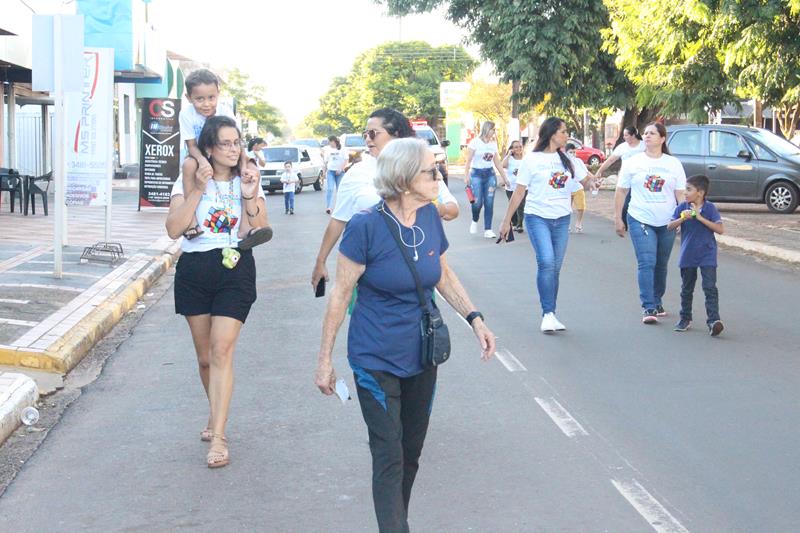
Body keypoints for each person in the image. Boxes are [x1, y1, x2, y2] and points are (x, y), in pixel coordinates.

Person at [315, 138, 496, 532]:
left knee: (410, 452)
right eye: (431, 171)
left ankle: (398, 521)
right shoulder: (365, 226)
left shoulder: (430, 217)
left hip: (422, 353)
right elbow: (341, 292)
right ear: (402, 180)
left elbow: (442, 274)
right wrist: (325, 360)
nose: (439, 176)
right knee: (388, 454)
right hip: (374, 357)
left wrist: (475, 318)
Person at [165, 116, 269, 468]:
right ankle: (215, 413)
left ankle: (220, 436)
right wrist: (197, 187)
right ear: (208, 148)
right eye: (224, 143)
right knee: (205, 358)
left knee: (222, 350)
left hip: (236, 268)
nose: (232, 149)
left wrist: (250, 194)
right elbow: (174, 229)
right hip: (195, 270)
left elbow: (261, 228)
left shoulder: (248, 178)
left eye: (236, 142)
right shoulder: (187, 179)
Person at [311, 108, 458, 291]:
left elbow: (453, 210)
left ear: (396, 134)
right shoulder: (357, 173)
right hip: (371, 272)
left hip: (417, 269)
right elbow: (338, 220)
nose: (367, 139)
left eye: (373, 133)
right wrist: (320, 261)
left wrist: (433, 208)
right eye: (365, 134)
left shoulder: (420, 167)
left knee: (420, 317)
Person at [499, 117, 596, 333]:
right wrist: (507, 221)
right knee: (546, 262)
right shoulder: (532, 160)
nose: (566, 135)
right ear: (552, 134)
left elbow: (585, 182)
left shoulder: (568, 160)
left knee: (555, 268)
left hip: (561, 218)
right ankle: (547, 314)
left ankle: (552, 313)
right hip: (537, 217)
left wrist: (593, 181)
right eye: (563, 131)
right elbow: (519, 192)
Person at [177, 69, 262, 244]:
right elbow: (191, 146)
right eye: (199, 99)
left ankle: (245, 226)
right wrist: (202, 161)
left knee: (251, 170)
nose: (206, 104)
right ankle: (192, 222)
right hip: (199, 154)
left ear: (218, 94)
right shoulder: (186, 114)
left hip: (223, 153)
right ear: (188, 98)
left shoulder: (225, 110)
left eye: (211, 98)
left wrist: (244, 163)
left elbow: (236, 140)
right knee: (188, 166)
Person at [615, 122, 686, 324]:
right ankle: (648, 306)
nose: (647, 136)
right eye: (645, 133)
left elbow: (680, 193)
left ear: (662, 139)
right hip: (640, 217)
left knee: (661, 264)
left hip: (667, 220)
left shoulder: (673, 164)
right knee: (647, 262)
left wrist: (682, 217)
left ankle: (657, 299)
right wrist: (618, 218)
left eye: (652, 133)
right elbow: (621, 191)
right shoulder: (633, 162)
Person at [666, 175, 725, 336]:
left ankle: (714, 320)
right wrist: (682, 219)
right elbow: (669, 226)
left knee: (710, 287)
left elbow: (720, 229)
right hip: (688, 253)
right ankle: (685, 317)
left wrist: (699, 217)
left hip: (707, 253)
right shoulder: (682, 207)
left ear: (700, 192)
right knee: (687, 288)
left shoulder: (710, 208)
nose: (685, 192)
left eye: (689, 189)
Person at [463, 121, 508, 238]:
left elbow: (497, 162)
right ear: (487, 129)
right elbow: (468, 160)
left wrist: (505, 178)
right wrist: (466, 175)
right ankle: (475, 219)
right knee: (477, 202)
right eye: (493, 129)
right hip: (476, 174)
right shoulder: (475, 142)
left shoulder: (493, 144)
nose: (494, 132)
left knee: (489, 202)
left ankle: (488, 229)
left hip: (490, 175)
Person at [595, 126, 645, 230]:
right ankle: (624, 223)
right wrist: (599, 171)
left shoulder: (643, 146)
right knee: (625, 202)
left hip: (641, 179)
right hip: (626, 180)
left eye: (626, 135)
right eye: (624, 135)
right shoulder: (622, 147)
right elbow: (610, 160)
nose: (624, 137)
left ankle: (639, 222)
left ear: (633, 135)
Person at [565, 142, 596, 233]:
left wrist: (594, 177)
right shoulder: (563, 163)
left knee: (581, 207)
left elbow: (586, 173)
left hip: (578, 187)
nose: (573, 154)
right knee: (567, 208)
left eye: (574, 152)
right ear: (566, 152)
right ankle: (567, 224)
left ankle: (578, 223)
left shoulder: (579, 161)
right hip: (567, 188)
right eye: (570, 152)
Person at [502, 140, 526, 233]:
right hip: (511, 187)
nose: (519, 148)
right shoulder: (510, 159)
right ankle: (514, 222)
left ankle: (519, 225)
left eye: (520, 146)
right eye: (516, 147)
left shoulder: (525, 159)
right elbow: (502, 165)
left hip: (523, 187)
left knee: (521, 205)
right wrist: (508, 155)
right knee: (512, 205)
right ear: (512, 149)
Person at [323, 135, 347, 214]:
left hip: (340, 172)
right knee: (330, 189)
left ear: (334, 141)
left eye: (330, 142)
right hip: (331, 172)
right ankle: (328, 207)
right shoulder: (327, 149)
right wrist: (324, 173)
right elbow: (325, 162)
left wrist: (341, 168)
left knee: (339, 190)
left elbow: (346, 160)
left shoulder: (342, 148)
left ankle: (340, 207)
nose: (329, 143)